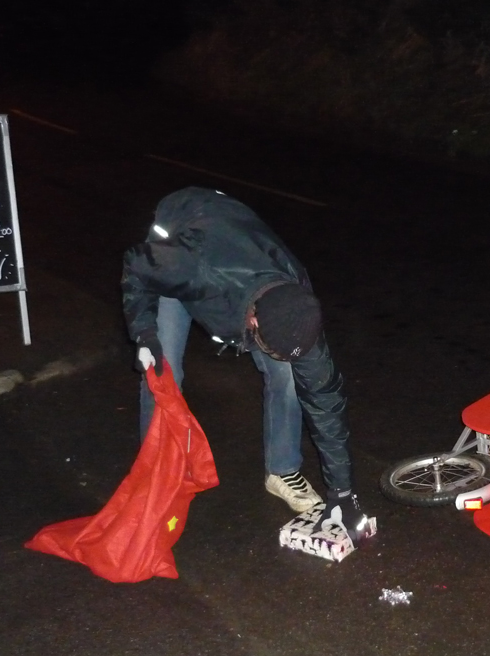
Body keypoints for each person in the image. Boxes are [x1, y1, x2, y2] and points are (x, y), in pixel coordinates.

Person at [120, 186, 371, 544]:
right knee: (162, 370)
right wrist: (144, 333)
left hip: (233, 244)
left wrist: (342, 493)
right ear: (252, 321)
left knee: (286, 375)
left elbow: (325, 401)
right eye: (274, 348)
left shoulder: (298, 308)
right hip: (178, 241)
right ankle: (155, 477)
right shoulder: (191, 268)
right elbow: (136, 264)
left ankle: (282, 471)